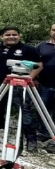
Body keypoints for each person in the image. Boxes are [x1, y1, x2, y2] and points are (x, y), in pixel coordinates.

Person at [0, 27, 42, 151]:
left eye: (14, 34)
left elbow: (39, 65)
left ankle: (31, 139)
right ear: (2, 37)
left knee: (24, 110)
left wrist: (29, 78)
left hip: (20, 85)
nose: (11, 36)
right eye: (7, 34)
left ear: (19, 36)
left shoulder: (28, 49)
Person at [36, 24, 55, 153]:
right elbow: (35, 63)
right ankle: (44, 133)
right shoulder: (41, 46)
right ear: (50, 31)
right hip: (45, 84)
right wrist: (34, 78)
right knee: (42, 109)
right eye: (54, 29)